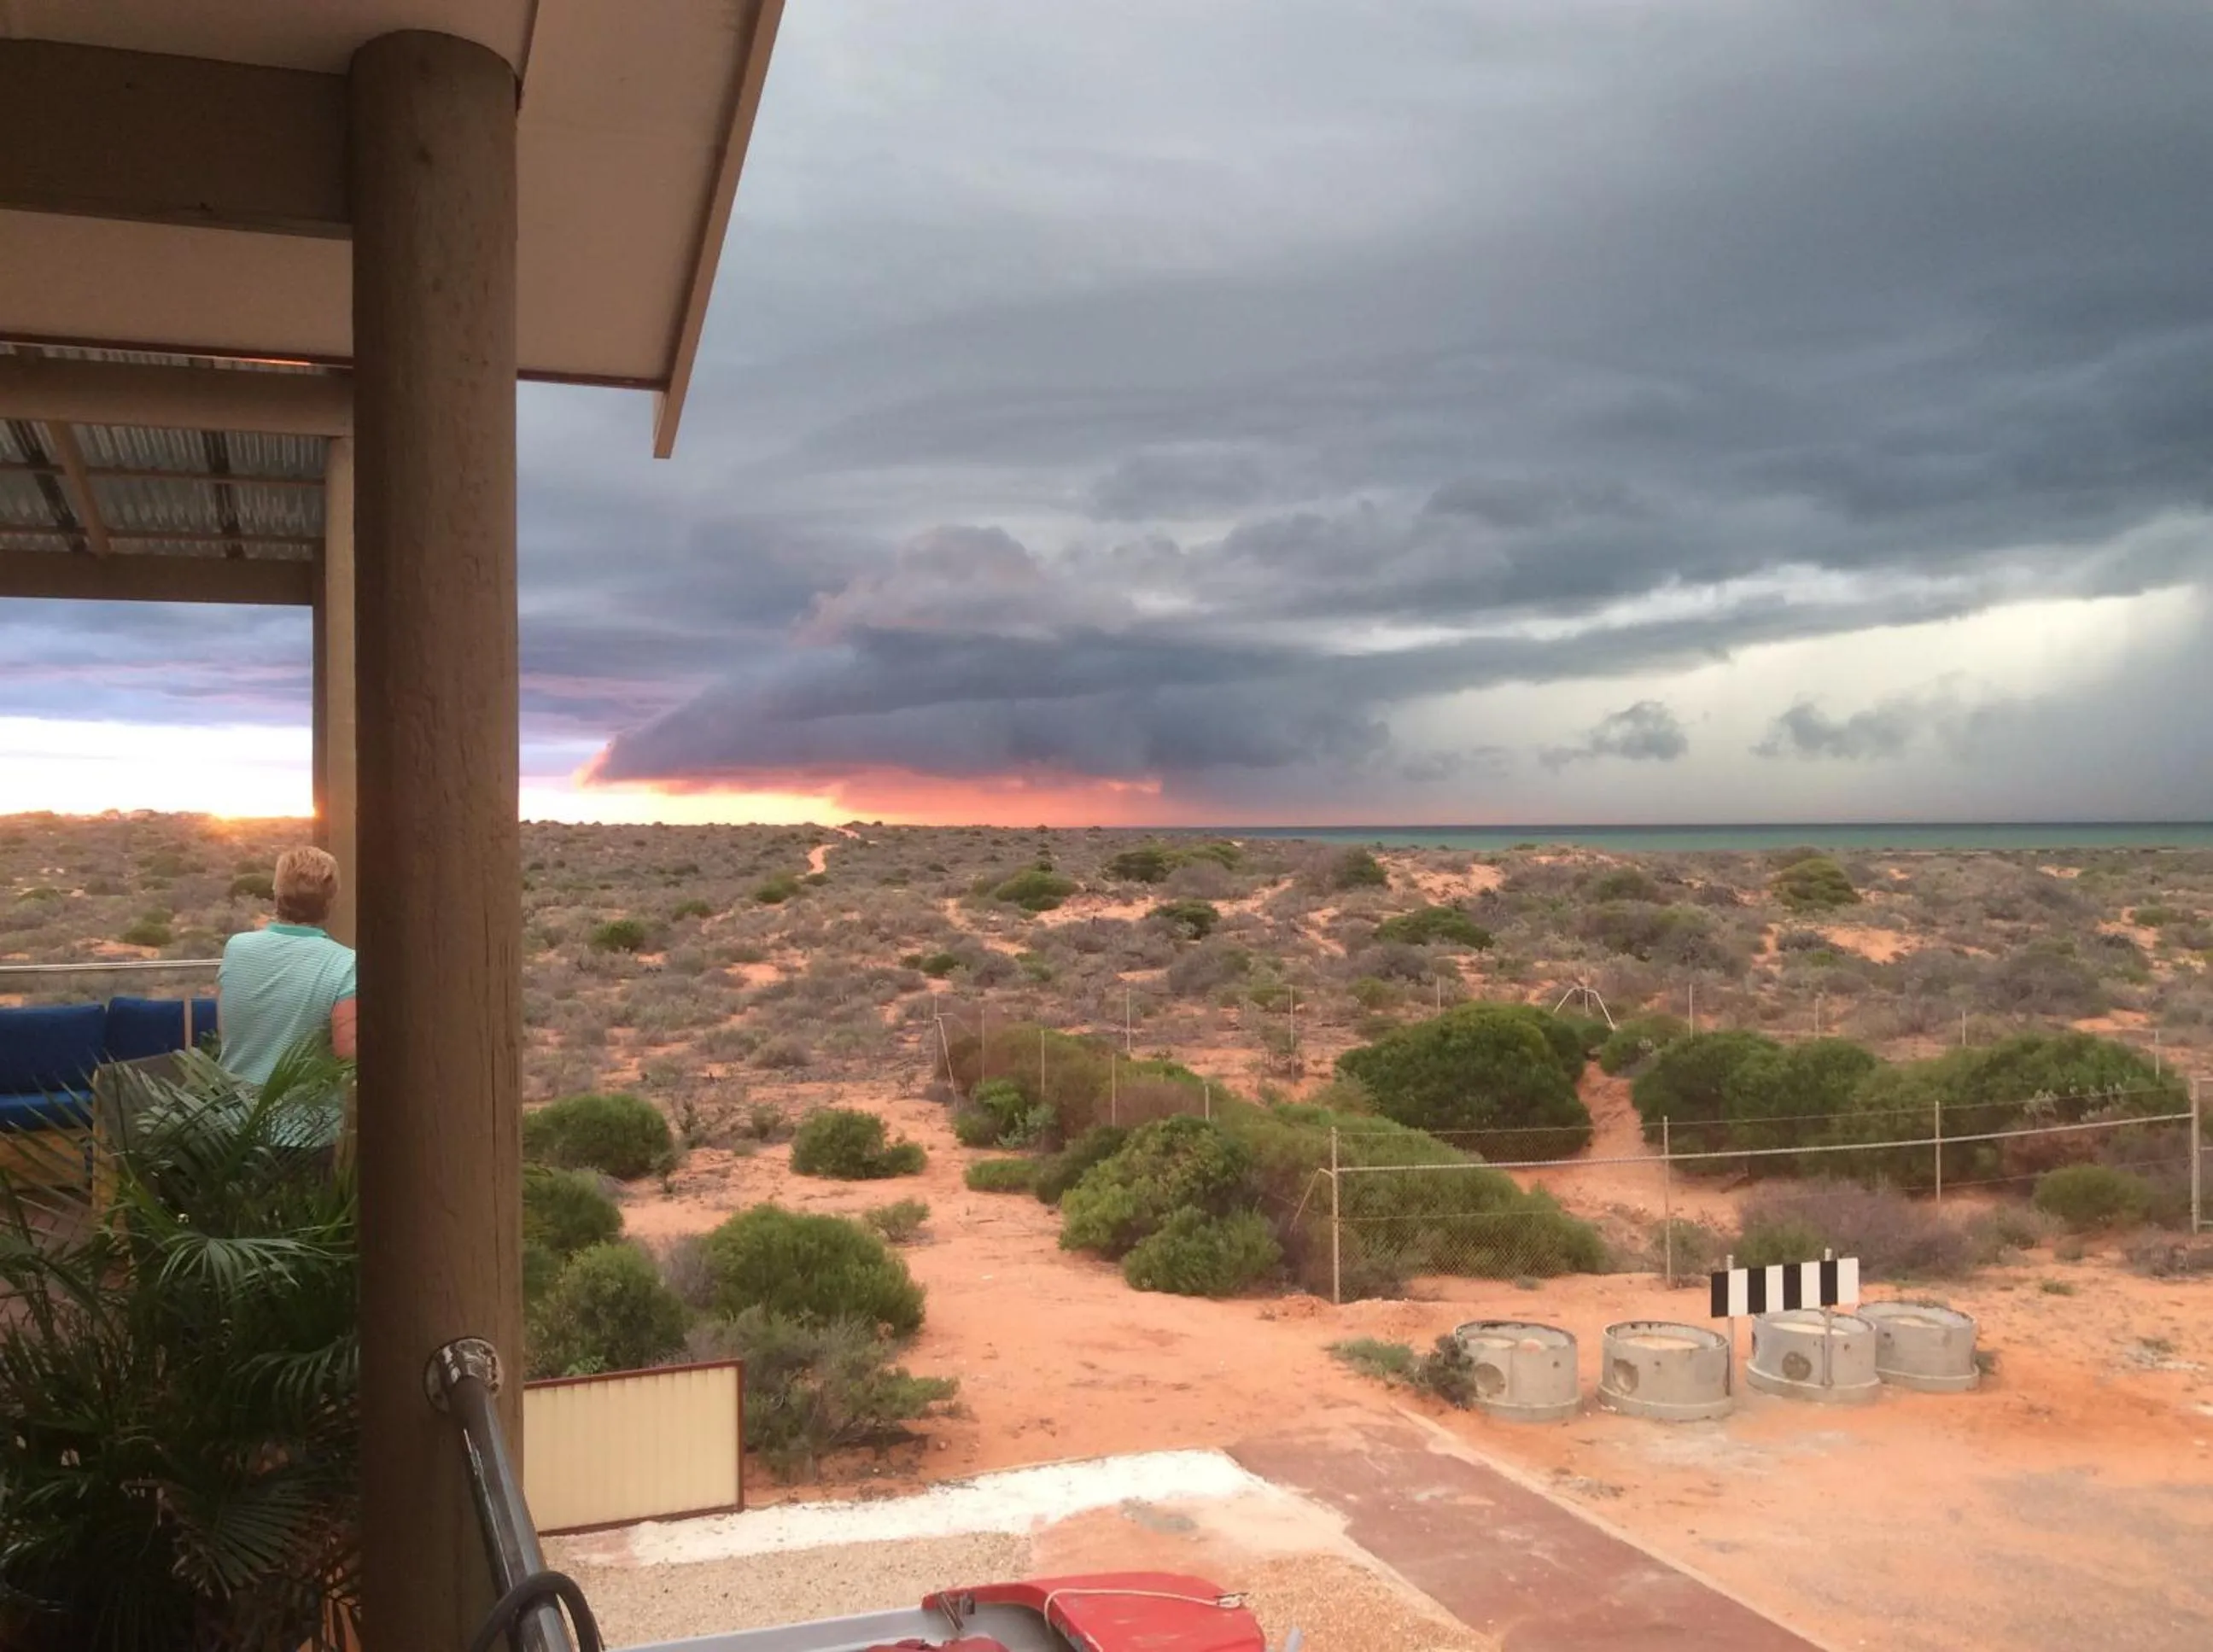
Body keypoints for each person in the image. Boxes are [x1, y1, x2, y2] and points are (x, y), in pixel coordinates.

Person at [217, 846, 358, 1084]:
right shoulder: (345, 964)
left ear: (277, 892)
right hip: (304, 1117)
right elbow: (348, 1054)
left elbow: (229, 1027)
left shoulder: (237, 948)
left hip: (231, 1112)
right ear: (332, 899)